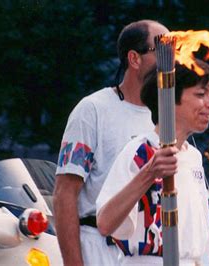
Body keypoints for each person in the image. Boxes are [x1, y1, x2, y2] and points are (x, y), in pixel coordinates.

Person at [53, 19, 169, 266]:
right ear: (134, 59)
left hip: (148, 253)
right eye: (161, 51)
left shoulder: (168, 117)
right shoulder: (93, 110)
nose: (171, 62)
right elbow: (65, 193)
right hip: (99, 246)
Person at [96, 60, 209, 265]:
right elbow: (105, 223)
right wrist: (149, 173)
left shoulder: (193, 157)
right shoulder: (141, 151)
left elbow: (196, 240)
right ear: (168, 99)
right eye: (200, 94)